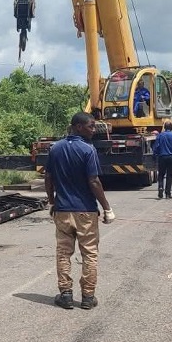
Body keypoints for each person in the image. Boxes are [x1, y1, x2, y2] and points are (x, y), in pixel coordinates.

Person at [44, 112, 115, 311]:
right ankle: (88, 297)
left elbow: (48, 179)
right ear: (77, 127)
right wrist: (106, 207)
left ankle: (65, 294)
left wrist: (52, 202)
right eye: (90, 126)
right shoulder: (88, 150)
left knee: (63, 253)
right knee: (90, 254)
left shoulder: (55, 149)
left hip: (62, 210)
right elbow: (94, 181)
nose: (94, 130)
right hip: (85, 211)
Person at [152, 121, 172, 199]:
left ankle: (160, 187)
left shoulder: (160, 136)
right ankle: (168, 193)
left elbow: (156, 147)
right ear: (171, 128)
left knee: (161, 175)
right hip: (171, 157)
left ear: (164, 127)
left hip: (162, 157)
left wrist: (154, 155)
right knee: (169, 175)